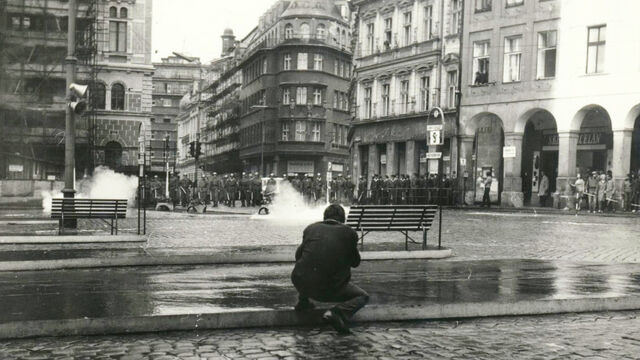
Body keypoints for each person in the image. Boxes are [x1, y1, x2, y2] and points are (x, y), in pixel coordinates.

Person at [291, 204, 369, 334]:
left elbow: (298, 256)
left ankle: (303, 302)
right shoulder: (349, 233)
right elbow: (355, 262)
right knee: (363, 296)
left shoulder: (311, 228)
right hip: (331, 289)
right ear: (343, 219)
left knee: (306, 269)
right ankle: (337, 312)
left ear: (324, 217)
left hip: (303, 285)